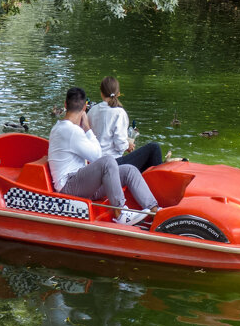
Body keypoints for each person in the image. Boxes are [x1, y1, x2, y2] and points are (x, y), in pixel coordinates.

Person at [48, 87, 158, 226]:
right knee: (107, 161)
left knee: (129, 170)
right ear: (84, 107)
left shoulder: (60, 127)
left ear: (65, 104)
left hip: (81, 183)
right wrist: (87, 127)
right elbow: (97, 156)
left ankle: (155, 211)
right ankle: (120, 213)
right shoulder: (70, 131)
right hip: (69, 186)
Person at [87, 76, 163, 172]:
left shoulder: (92, 111)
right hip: (113, 163)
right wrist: (128, 145)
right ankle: (157, 181)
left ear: (101, 92)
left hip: (95, 162)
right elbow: (120, 145)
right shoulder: (119, 113)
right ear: (118, 94)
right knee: (154, 148)